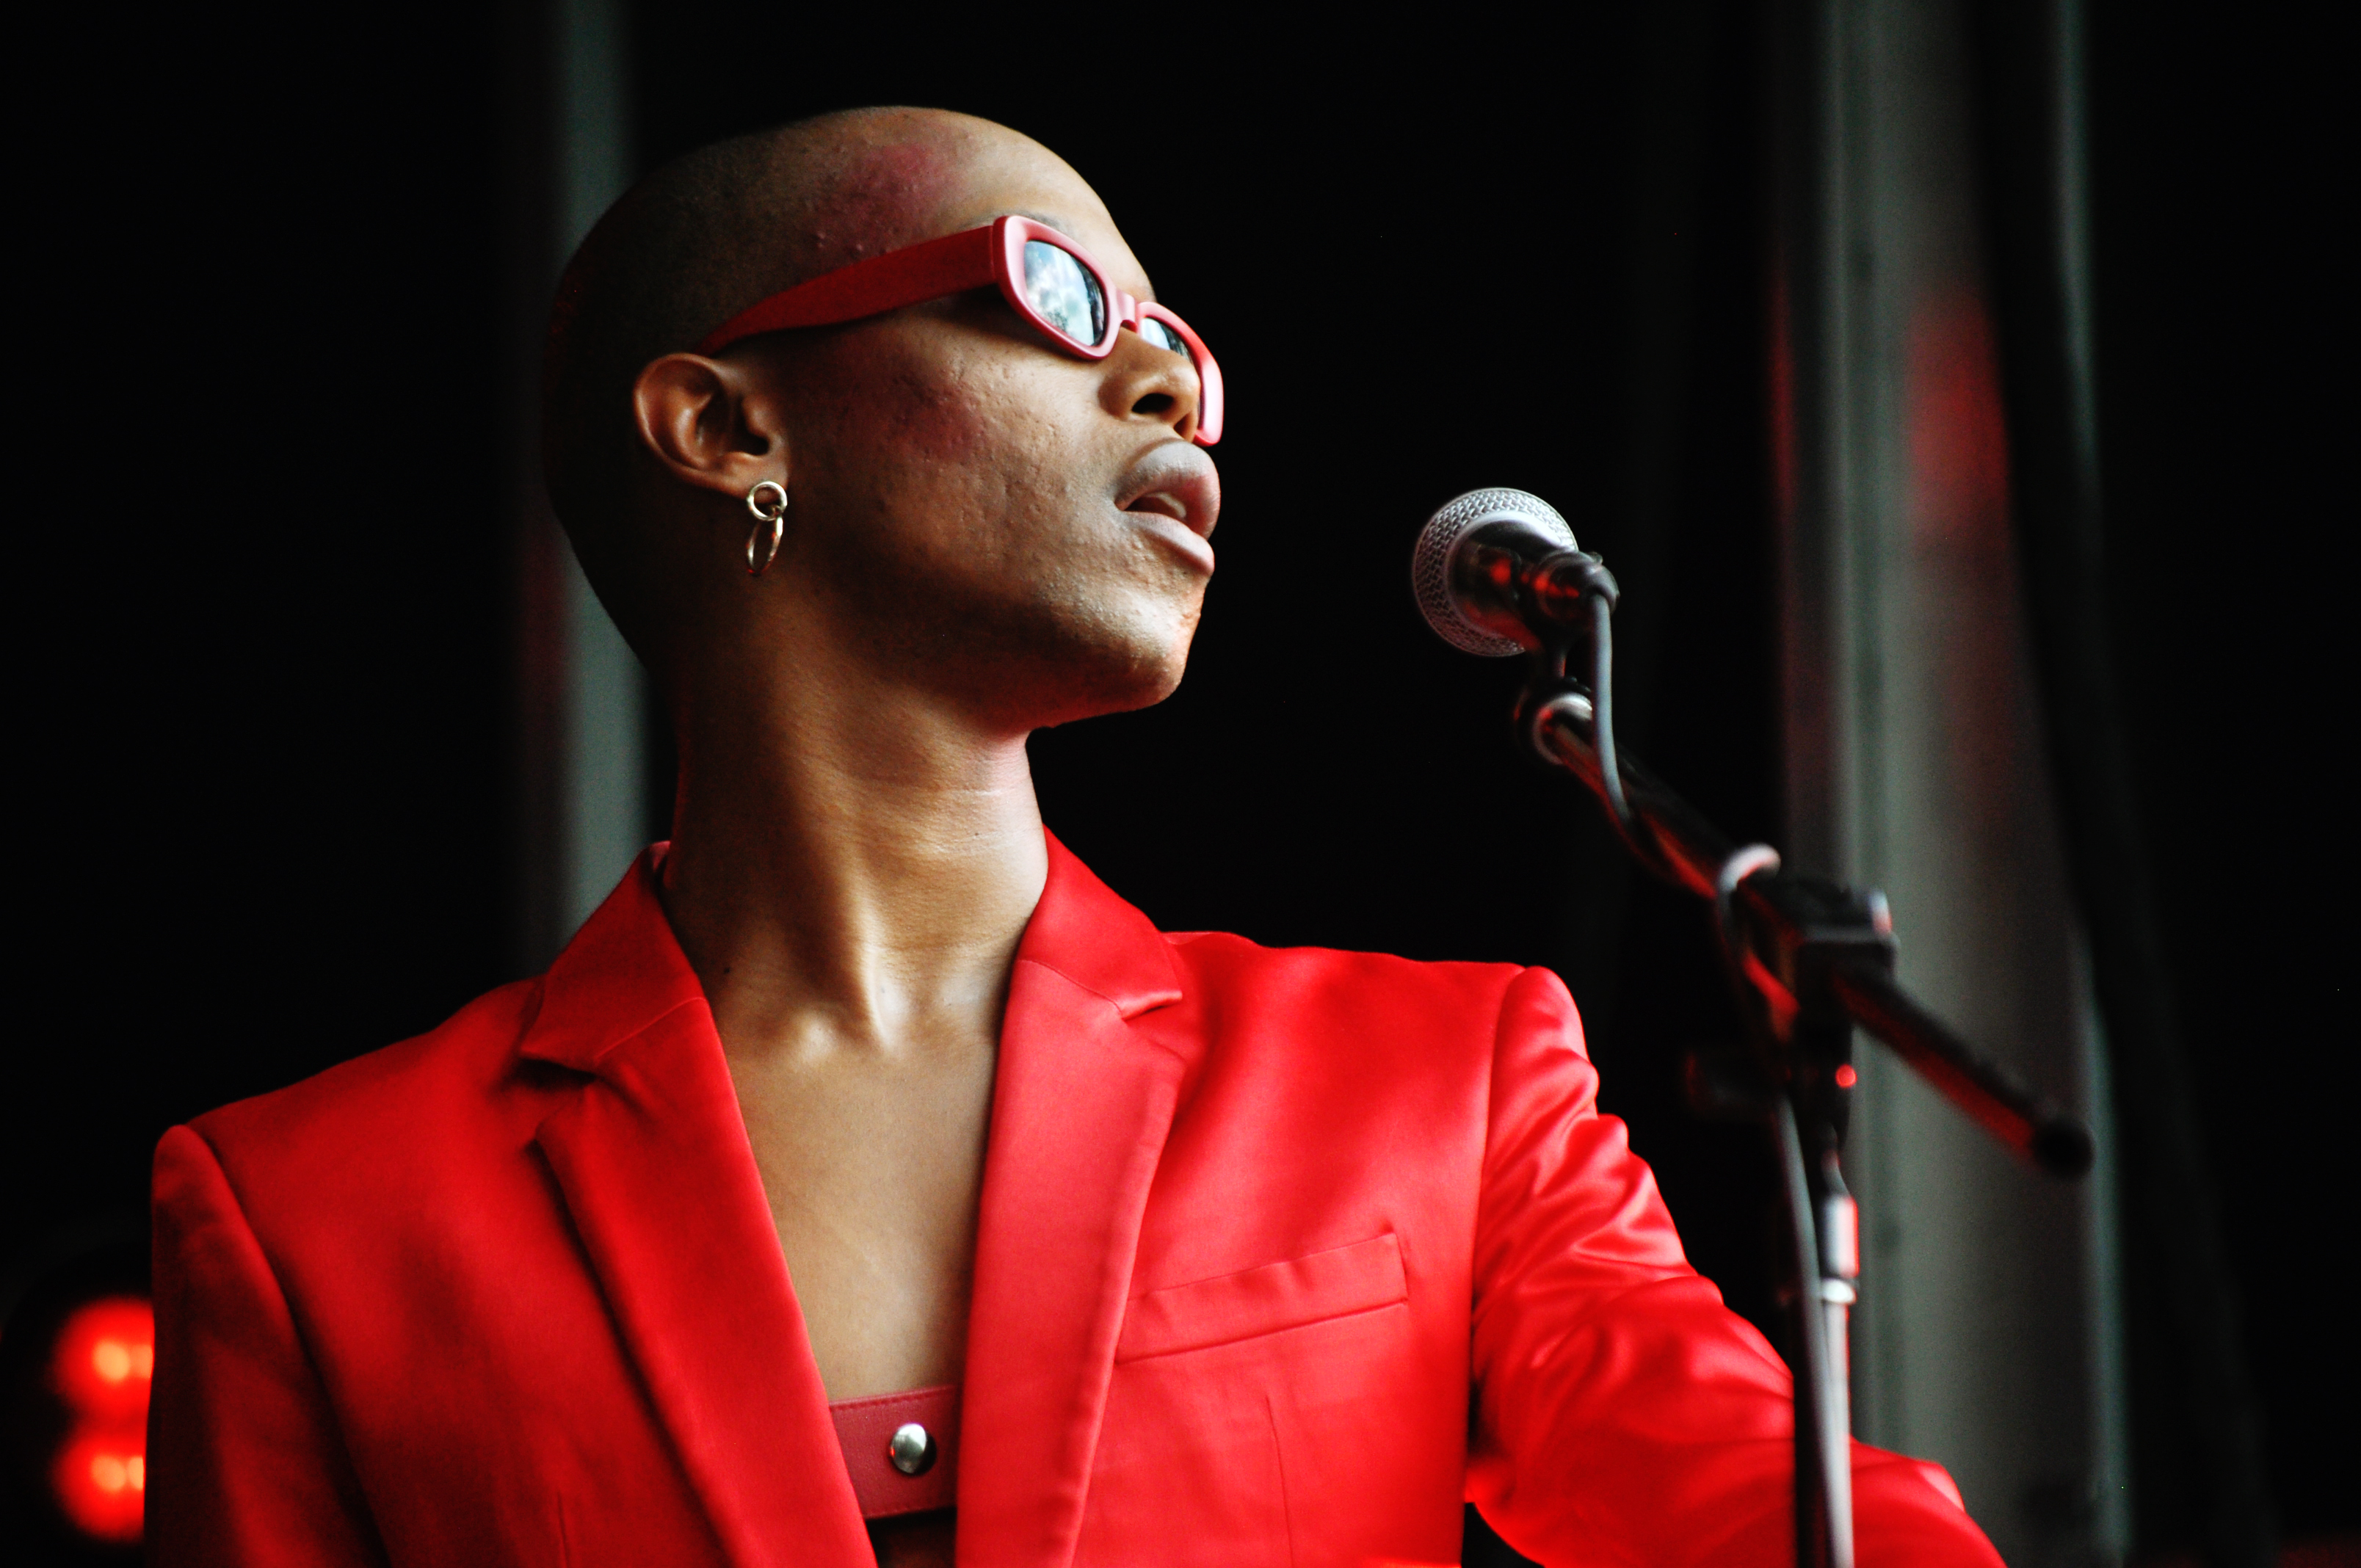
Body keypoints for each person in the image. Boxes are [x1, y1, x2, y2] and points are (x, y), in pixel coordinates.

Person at [146, 107, 2001, 1567]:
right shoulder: (312, 1221)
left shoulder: (1444, 1082)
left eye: (1180, 342)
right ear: (722, 425)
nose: (1171, 382)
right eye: (1060, 295)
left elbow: (1766, 1501)